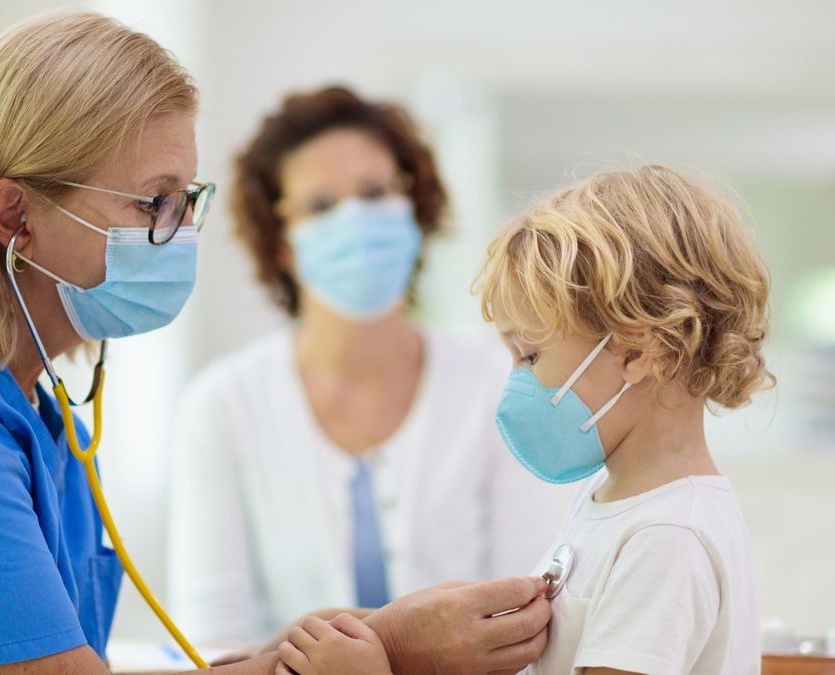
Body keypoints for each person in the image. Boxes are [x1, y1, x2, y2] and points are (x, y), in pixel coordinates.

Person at [0, 12, 551, 675]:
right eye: (151, 203)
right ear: (16, 215)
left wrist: (294, 655)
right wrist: (390, 644)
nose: (175, 233)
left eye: (186, 200)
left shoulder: (22, 398)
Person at [279, 164, 770, 674]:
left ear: (636, 351)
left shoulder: (666, 537)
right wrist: (390, 637)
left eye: (530, 356)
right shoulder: (611, 503)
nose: (513, 380)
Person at [167, 85, 561, 645]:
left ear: (414, 207)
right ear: (281, 243)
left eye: (376, 192)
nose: (356, 219)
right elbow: (213, 643)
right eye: (321, 206)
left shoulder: (499, 385)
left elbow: (532, 610)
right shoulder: (223, 406)